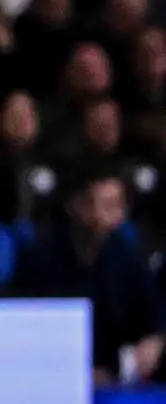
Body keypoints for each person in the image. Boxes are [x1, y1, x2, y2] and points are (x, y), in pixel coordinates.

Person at [12, 165, 163, 384]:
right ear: (77, 206)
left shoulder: (124, 256)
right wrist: (78, 373)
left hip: (117, 379)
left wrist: (155, 341)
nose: (117, 216)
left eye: (119, 205)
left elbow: (151, 315)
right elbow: (27, 334)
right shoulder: (40, 261)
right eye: (108, 206)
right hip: (54, 380)